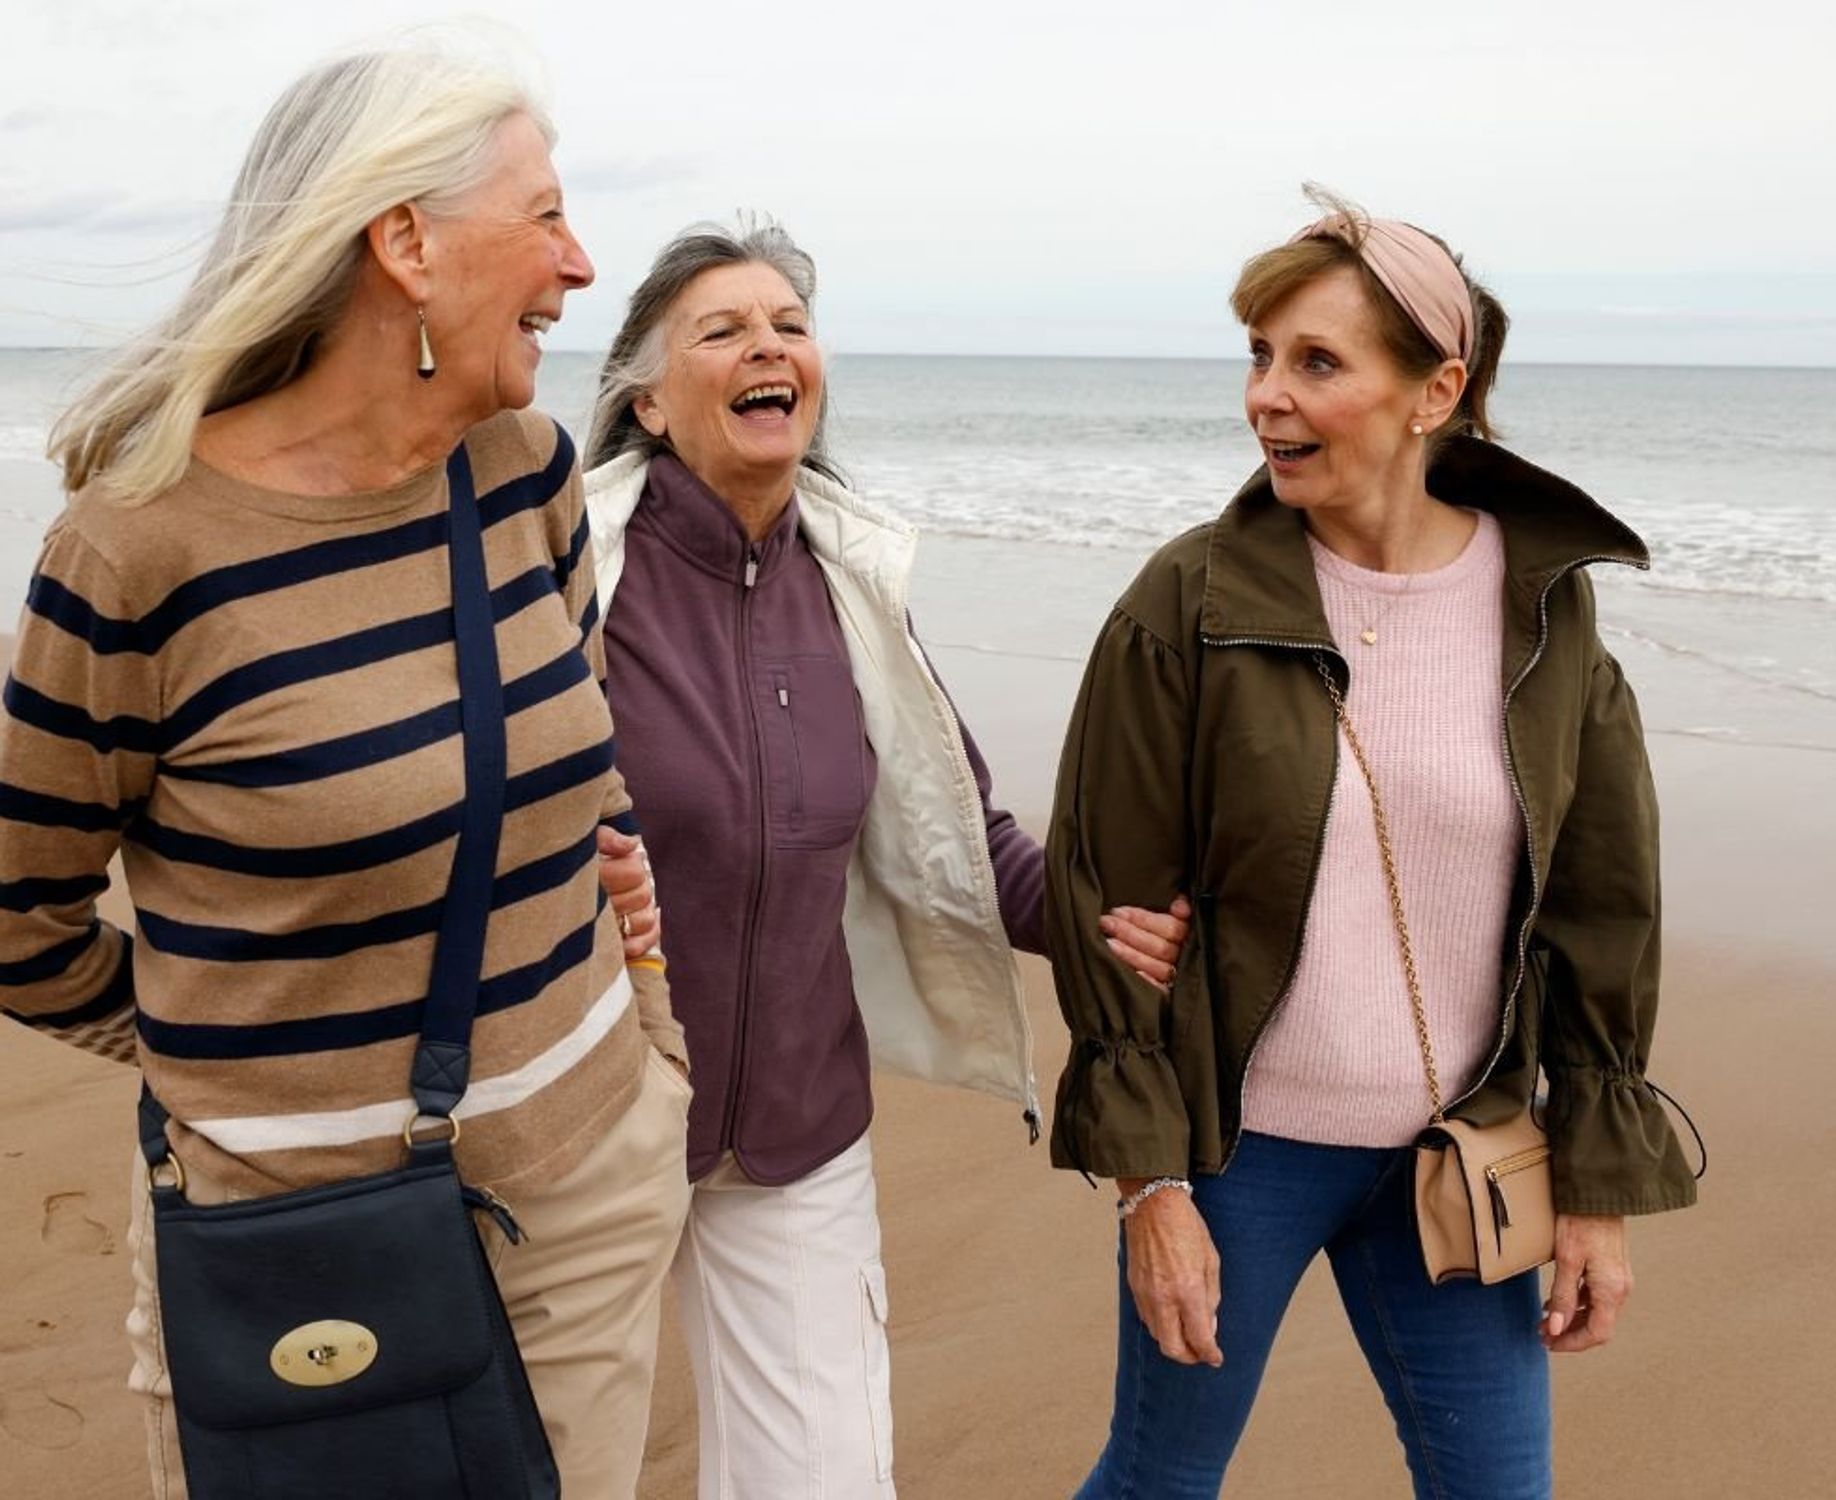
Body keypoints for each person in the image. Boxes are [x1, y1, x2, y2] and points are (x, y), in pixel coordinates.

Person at [0, 46, 689, 1498]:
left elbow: (577, 752)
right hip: (298, 1246)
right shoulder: (136, 552)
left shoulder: (526, 470)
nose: (579, 262)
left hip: (590, 1189)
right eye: (546, 215)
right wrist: (218, 1074)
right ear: (405, 245)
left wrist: (642, 1015)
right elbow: (15, 915)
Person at [1044, 189, 1700, 1499]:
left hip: (1463, 1149)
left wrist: (1597, 1183)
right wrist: (1149, 1193)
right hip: (1243, 1151)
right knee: (1156, 1483)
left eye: (1317, 363)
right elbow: (1106, 899)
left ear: (1434, 391)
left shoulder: (1544, 614)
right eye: (1259, 356)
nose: (1266, 399)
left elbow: (1598, 907)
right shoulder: (1188, 603)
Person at [581, 218, 1189, 1499]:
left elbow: (964, 839)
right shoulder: (570, 573)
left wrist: (1107, 918)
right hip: (595, 1122)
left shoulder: (855, 586)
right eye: (724, 329)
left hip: (795, 1123)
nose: (769, 346)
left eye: (790, 326)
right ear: (642, 396)